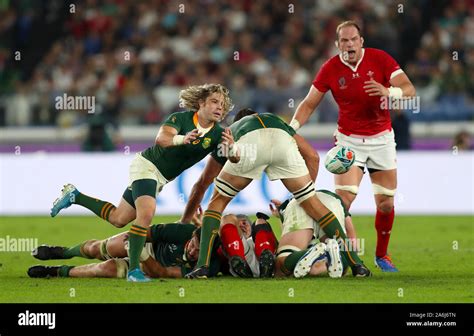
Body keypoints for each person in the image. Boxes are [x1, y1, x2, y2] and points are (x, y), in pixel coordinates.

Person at [49, 84, 237, 282]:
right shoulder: (181, 118)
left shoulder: (218, 134)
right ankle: (134, 271)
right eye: (215, 102)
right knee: (146, 214)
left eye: (222, 105)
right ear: (201, 103)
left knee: (118, 219)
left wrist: (232, 149)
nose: (219, 108)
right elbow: (162, 138)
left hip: (160, 178)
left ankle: (75, 196)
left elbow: (234, 159)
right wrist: (182, 139)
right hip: (147, 166)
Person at [290, 21, 416, 272]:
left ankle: (382, 255)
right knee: (344, 201)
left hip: (381, 139)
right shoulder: (330, 68)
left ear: (361, 41)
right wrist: (291, 129)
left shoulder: (380, 59)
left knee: (386, 204)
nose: (349, 44)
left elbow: (409, 90)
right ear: (337, 45)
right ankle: (331, 253)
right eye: (344, 41)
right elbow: (309, 103)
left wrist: (387, 91)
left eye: (353, 39)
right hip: (349, 141)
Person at [185, 108, 371, 279]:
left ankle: (202, 267)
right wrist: (302, 197)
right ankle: (358, 265)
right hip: (282, 140)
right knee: (316, 208)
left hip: (248, 146)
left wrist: (185, 220)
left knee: (216, 205)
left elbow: (202, 183)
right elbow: (313, 156)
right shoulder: (276, 120)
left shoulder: (230, 131)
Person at [27, 220, 221, 279]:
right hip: (149, 246)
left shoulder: (205, 268)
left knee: (107, 269)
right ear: (192, 237)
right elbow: (145, 233)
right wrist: (136, 243)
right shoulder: (182, 231)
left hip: (152, 266)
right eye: (193, 245)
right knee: (102, 248)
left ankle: (55, 272)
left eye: (198, 253)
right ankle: (64, 252)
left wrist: (142, 257)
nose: (193, 252)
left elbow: (161, 272)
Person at [269, 189, 357, 278]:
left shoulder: (292, 197)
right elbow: (351, 236)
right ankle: (327, 259)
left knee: (281, 265)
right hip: (331, 202)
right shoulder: (335, 198)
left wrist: (281, 213)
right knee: (341, 253)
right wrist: (355, 260)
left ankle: (312, 253)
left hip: (299, 203)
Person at [217, 212, 278, 278]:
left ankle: (266, 260)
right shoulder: (231, 244)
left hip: (266, 254)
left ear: (252, 228)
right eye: (238, 225)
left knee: (260, 221)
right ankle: (240, 264)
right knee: (227, 218)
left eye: (244, 223)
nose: (241, 226)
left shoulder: (255, 234)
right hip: (244, 258)